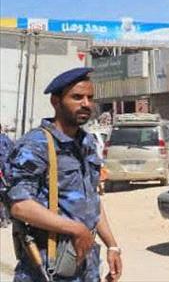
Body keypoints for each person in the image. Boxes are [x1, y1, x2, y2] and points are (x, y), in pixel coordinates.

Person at [8, 67, 123, 282]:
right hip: (47, 267)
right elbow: (20, 206)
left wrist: (112, 245)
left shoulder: (86, 143)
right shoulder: (37, 144)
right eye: (77, 97)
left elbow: (92, 201)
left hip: (84, 266)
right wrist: (75, 229)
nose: (86, 104)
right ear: (56, 102)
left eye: (90, 98)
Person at [0, 126, 14, 227]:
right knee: (5, 195)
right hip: (9, 173)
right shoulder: (8, 140)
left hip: (3, 172)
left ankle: (4, 218)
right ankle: (7, 218)